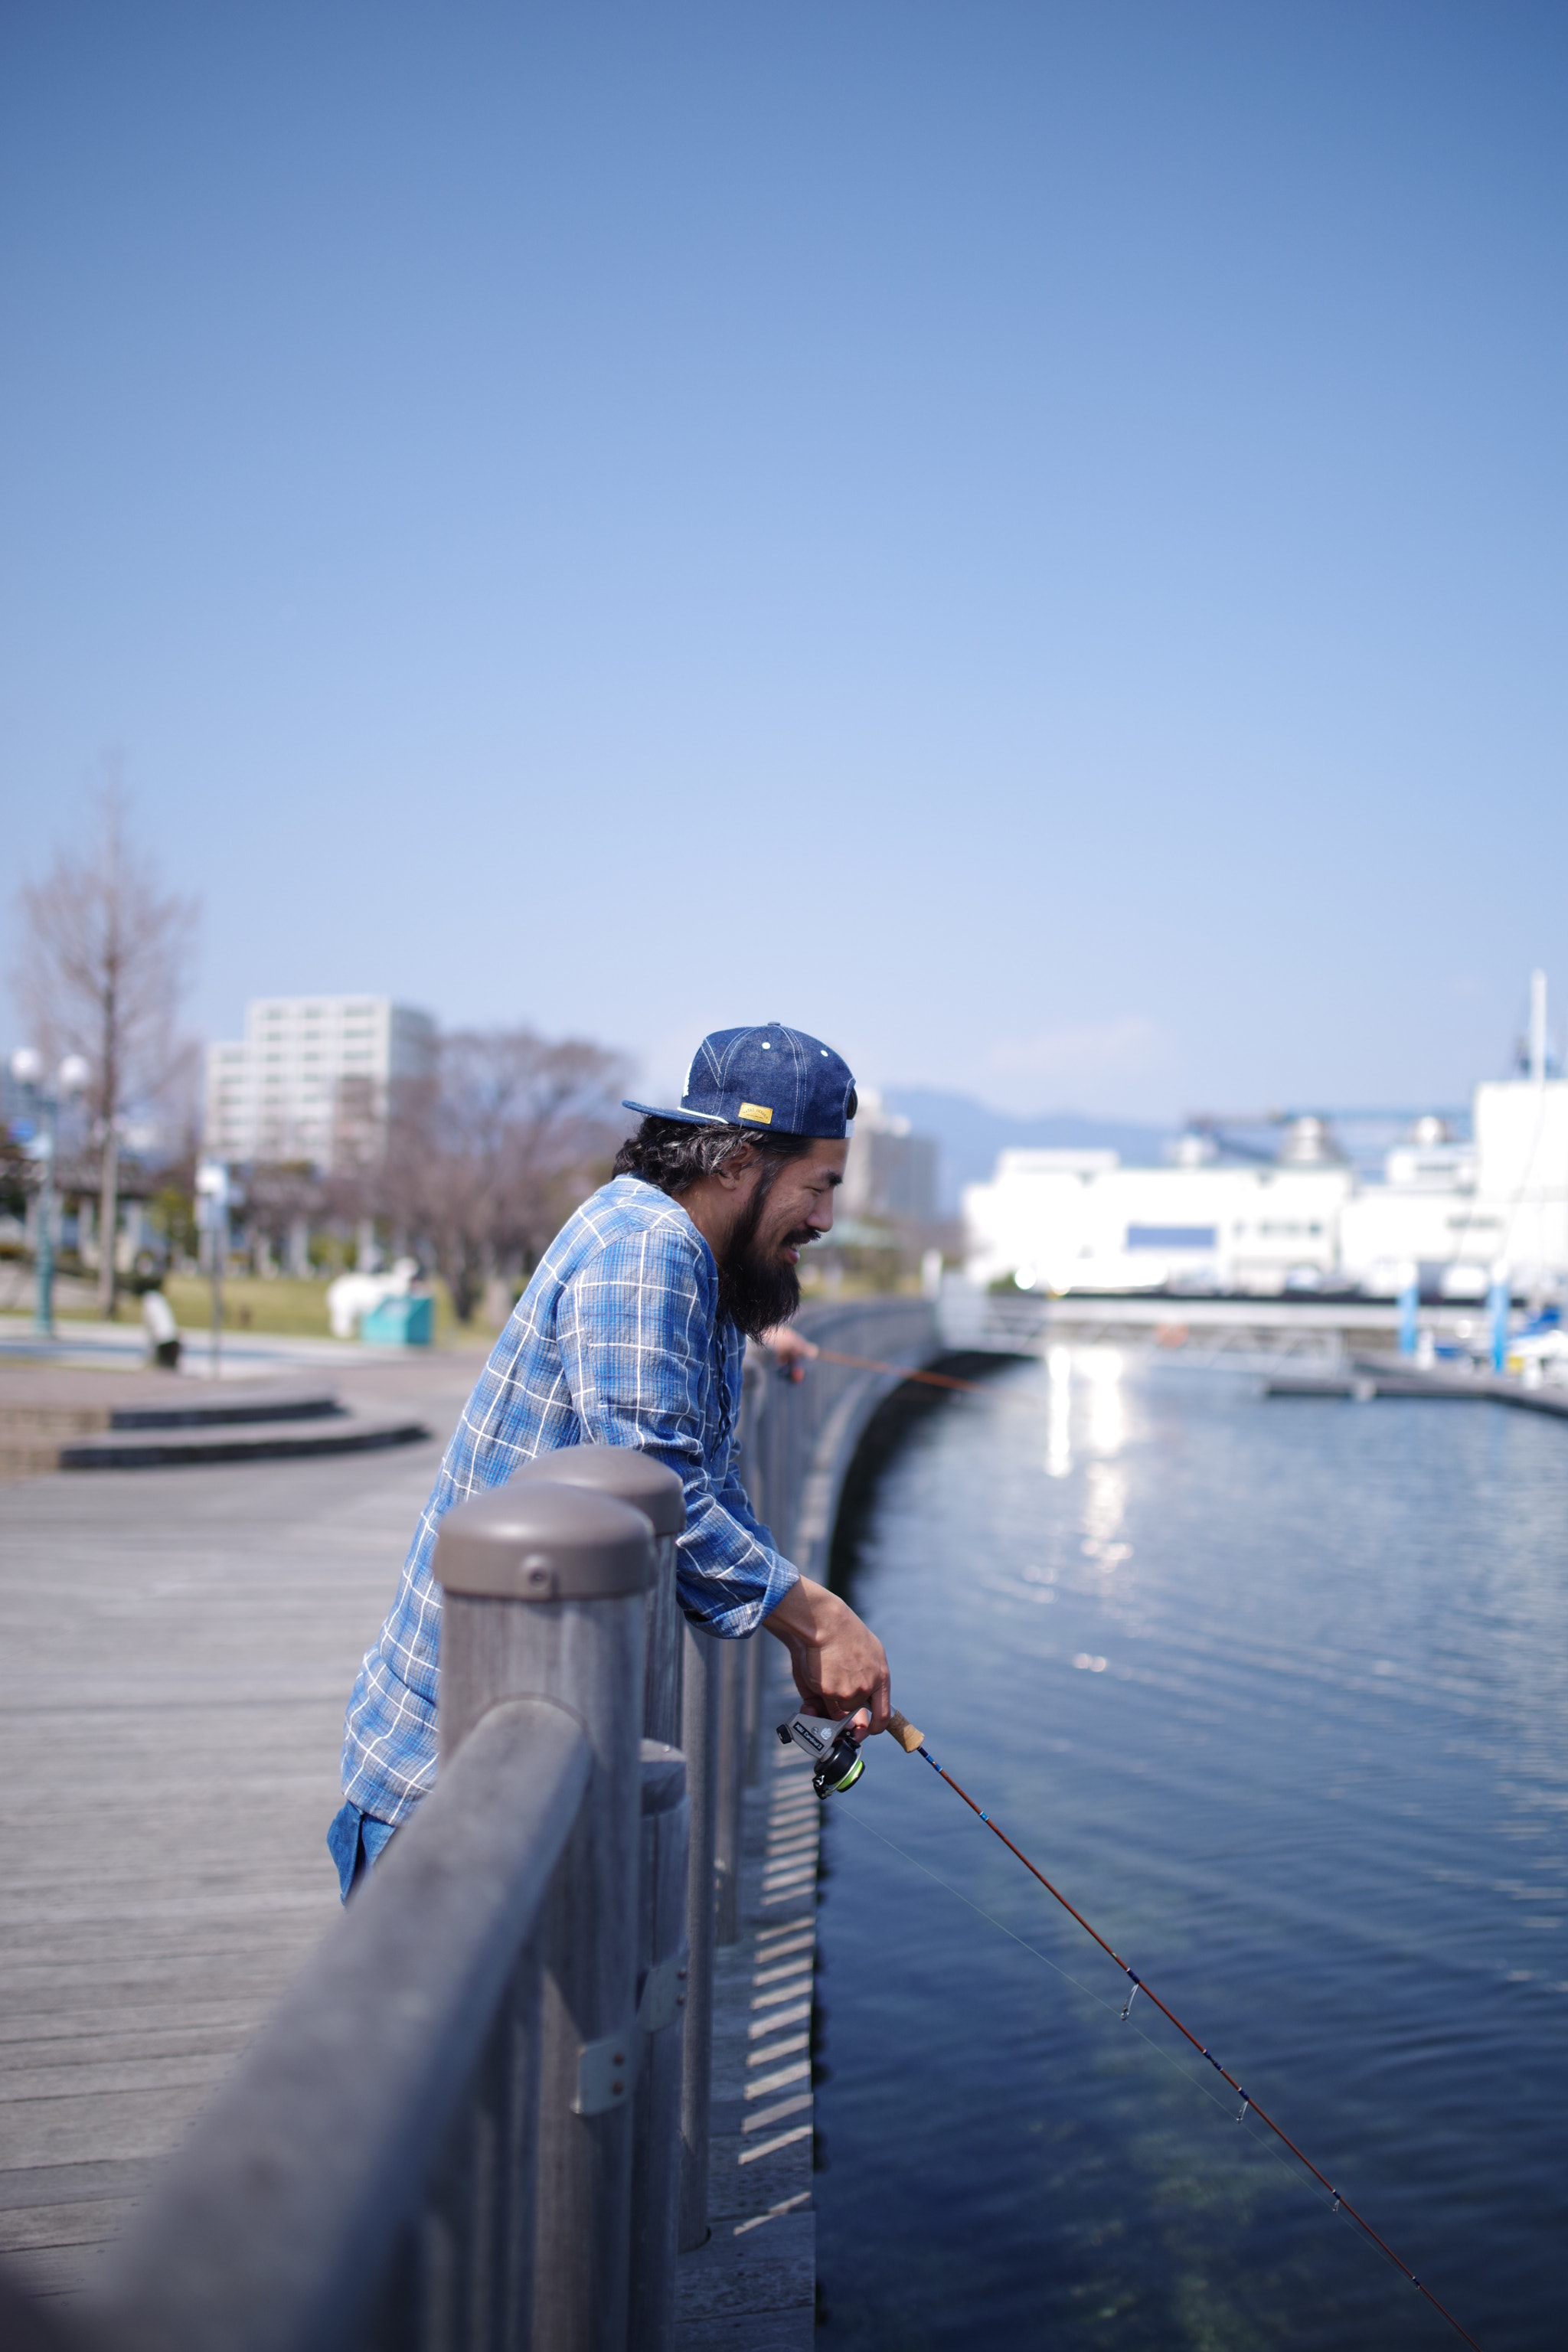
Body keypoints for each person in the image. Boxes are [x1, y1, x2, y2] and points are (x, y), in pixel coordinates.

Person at [328, 1021, 892, 1898]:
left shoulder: (693, 1258)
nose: (822, 1219)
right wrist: (813, 1619)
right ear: (738, 1161)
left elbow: (697, 1476)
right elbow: (659, 1486)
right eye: (818, 1187)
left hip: (507, 1740)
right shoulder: (648, 1248)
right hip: (446, 1778)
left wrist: (799, 1613)